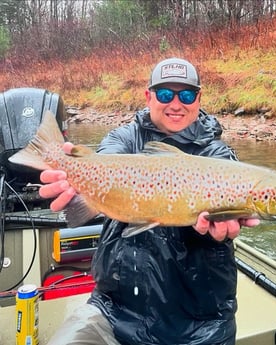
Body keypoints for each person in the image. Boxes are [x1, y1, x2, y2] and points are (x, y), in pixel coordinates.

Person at [40, 57, 260, 345]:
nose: (176, 104)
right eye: (166, 94)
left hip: (201, 327)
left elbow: (232, 208)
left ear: (199, 98)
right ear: (148, 96)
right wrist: (76, 174)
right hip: (113, 313)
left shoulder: (216, 155)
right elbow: (109, 159)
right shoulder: (123, 139)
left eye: (187, 94)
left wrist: (217, 229)